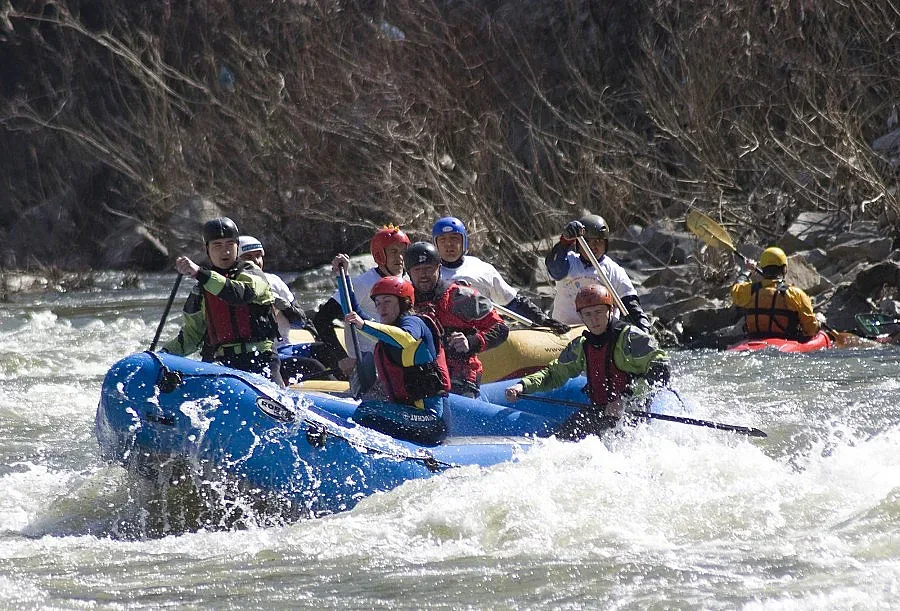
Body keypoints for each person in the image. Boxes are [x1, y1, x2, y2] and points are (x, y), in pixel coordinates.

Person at [505, 284, 669, 441]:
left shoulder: (631, 338)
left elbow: (662, 369)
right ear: (581, 316)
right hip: (600, 411)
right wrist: (522, 385)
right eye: (587, 314)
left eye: (598, 312)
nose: (594, 320)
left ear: (610, 311)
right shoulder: (581, 345)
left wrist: (625, 399)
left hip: (633, 414)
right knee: (561, 438)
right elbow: (554, 373)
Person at [161, 217, 283, 385]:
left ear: (237, 246)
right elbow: (191, 337)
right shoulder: (200, 290)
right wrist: (159, 356)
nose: (225, 252)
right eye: (217, 245)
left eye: (229, 245)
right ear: (206, 249)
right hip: (223, 365)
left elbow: (239, 294)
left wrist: (199, 273)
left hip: (261, 359)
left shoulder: (252, 273)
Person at [344, 276, 451, 445]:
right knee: (368, 408)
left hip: (430, 419)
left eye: (387, 301)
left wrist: (363, 324)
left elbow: (406, 338)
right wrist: (342, 276)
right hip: (407, 413)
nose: (381, 308)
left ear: (404, 303)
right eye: (377, 303)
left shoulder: (414, 323)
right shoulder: (387, 332)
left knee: (367, 410)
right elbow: (352, 313)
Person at [404, 241, 509, 397]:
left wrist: (472, 341)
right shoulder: (405, 301)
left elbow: (501, 328)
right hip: (423, 378)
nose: (423, 275)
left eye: (428, 268)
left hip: (461, 378)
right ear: (409, 272)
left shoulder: (461, 297)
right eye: (417, 270)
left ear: (439, 268)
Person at [431, 216, 569, 333]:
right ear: (435, 244)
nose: (449, 244)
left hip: (481, 337)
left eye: (454, 238)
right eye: (443, 240)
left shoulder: (482, 269)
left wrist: (543, 320)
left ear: (464, 241)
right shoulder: (427, 274)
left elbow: (513, 302)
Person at [312, 225, 410, 380]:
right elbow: (322, 319)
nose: (400, 258)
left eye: (403, 252)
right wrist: (341, 357)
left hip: (397, 360)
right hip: (367, 363)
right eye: (393, 252)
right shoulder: (363, 283)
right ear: (380, 255)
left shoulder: (409, 280)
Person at [238, 235, 333, 382]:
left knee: (327, 350)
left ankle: (355, 390)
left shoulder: (274, 281)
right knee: (313, 366)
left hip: (285, 348)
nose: (256, 261)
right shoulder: (233, 288)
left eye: (258, 256)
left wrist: (287, 307)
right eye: (248, 257)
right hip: (264, 355)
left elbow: (300, 322)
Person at [545, 214, 651, 332]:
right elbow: (555, 271)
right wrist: (564, 242)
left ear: (605, 244)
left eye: (598, 241)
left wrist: (644, 332)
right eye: (588, 242)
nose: (594, 246)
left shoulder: (614, 271)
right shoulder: (568, 262)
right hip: (565, 331)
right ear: (579, 244)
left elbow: (632, 307)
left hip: (602, 335)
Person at [730, 246, 820, 341]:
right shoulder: (795, 293)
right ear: (784, 268)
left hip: (754, 341)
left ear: (763, 268)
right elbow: (810, 329)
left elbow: (737, 285)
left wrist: (748, 271)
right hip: (786, 345)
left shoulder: (750, 290)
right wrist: (819, 321)